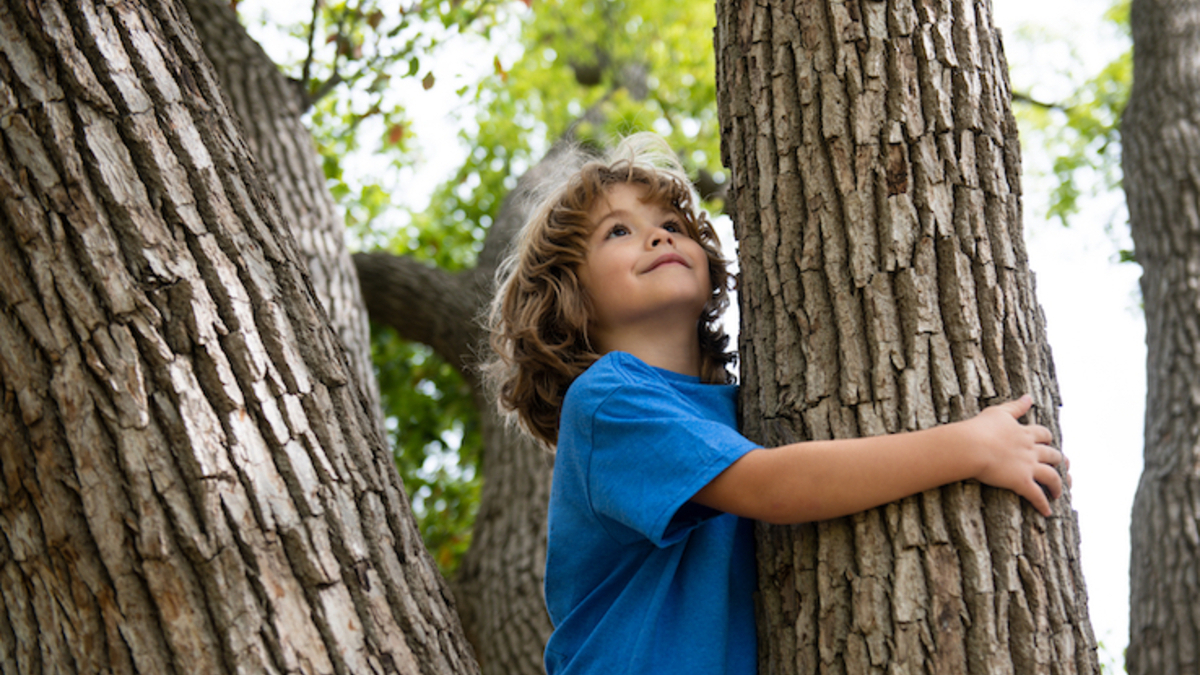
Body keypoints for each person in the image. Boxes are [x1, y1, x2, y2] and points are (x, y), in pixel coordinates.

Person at [484, 133, 1068, 674]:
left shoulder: (742, 410)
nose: (659, 235)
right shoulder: (608, 401)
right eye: (618, 231)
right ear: (568, 295)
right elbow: (774, 488)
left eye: (671, 223)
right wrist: (968, 447)